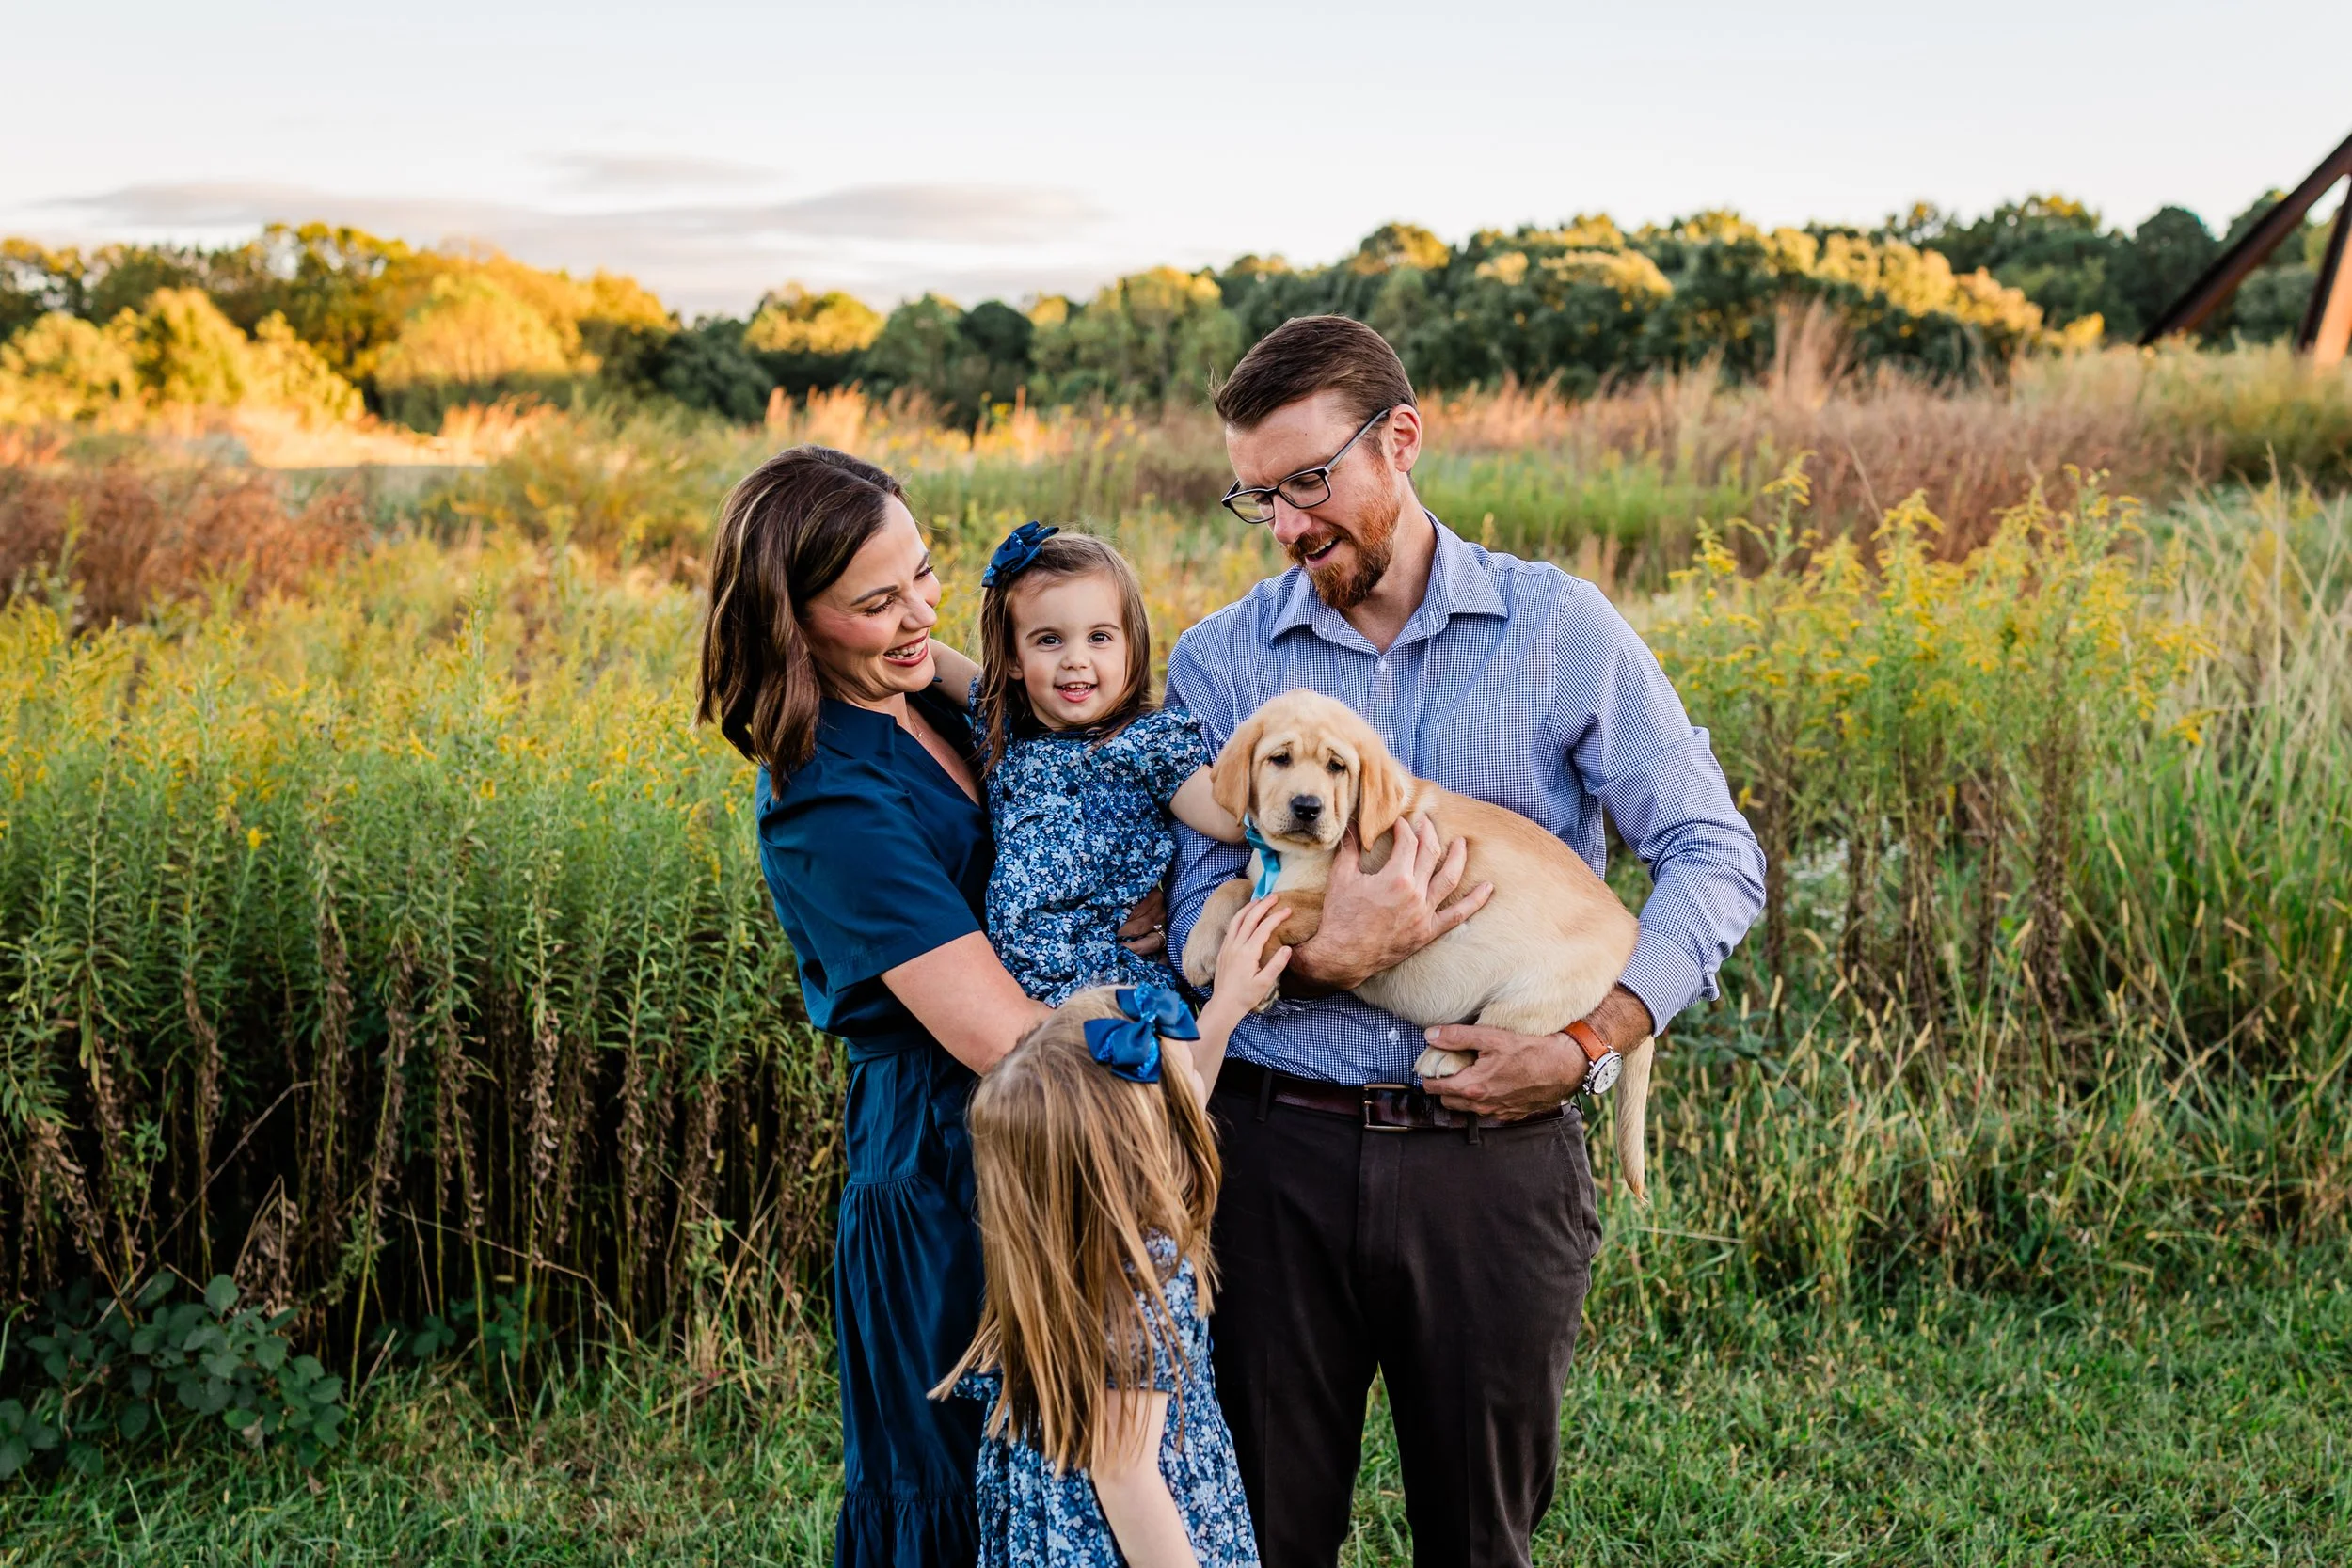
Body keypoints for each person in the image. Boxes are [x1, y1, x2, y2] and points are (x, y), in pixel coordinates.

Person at [1164, 316, 1767, 1567]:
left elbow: (1714, 853)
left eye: (1310, 481)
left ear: (1402, 438)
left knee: (1481, 1537)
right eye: (1258, 496)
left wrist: (1594, 1036)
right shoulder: (1223, 662)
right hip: (1276, 1153)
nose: (1287, 525)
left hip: (1495, 1166)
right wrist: (1322, 954)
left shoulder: (1558, 630)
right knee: (1263, 1532)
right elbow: (1186, 912)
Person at [695, 448, 1159, 1566]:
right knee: (966, 1487)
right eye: (875, 601)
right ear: (792, 620)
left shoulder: (917, 695)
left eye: (924, 574)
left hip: (1048, 1128)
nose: (919, 614)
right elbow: (1003, 1034)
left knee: (1086, 1473)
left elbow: (1044, 712)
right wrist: (1202, 998)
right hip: (953, 1152)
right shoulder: (827, 799)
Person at [939, 979, 1284, 1568]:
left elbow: (1165, 1113)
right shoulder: (1149, 1270)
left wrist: (1226, 1004)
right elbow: (1125, 1474)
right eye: (1181, 1089)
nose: (1199, 1091)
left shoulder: (1058, 1240)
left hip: (1054, 1524)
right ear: (1146, 1139)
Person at [937, 522, 1247, 1005]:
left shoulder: (1149, 742)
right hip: (1016, 995)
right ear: (1014, 657)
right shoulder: (1005, 724)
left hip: (1111, 985)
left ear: (1130, 646)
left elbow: (1230, 821)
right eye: (1048, 640)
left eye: (1100, 637)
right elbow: (930, 661)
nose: (1076, 660)